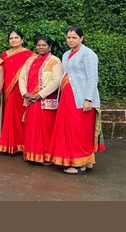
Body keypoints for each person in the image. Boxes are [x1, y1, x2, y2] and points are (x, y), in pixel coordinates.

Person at [46, 27, 105, 174]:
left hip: (81, 99)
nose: (71, 40)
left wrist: (88, 99)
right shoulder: (66, 54)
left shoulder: (88, 54)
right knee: (69, 130)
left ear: (81, 38)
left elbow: (93, 77)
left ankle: (80, 163)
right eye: (68, 37)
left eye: (74, 37)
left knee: (80, 131)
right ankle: (83, 161)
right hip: (67, 98)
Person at [18, 36, 62, 164]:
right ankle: (32, 155)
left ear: (50, 47)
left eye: (44, 45)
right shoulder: (30, 60)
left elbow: (56, 81)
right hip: (31, 100)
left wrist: (40, 95)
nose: (41, 47)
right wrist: (24, 93)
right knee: (31, 128)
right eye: (38, 45)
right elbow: (22, 77)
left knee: (46, 129)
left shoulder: (55, 61)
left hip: (45, 101)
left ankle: (47, 157)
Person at [0, 29, 34, 154]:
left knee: (21, 116)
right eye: (11, 38)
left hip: (22, 89)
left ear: (22, 40)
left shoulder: (30, 55)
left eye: (16, 38)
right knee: (9, 115)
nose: (13, 40)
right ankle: (9, 144)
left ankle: (23, 144)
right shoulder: (5, 55)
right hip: (8, 89)